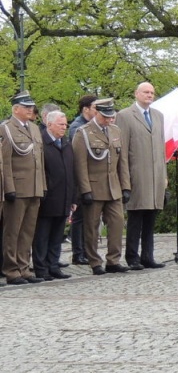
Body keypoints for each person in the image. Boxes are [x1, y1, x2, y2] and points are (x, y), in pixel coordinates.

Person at [72, 98, 131, 275]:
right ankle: (94, 261)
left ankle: (113, 260)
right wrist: (85, 189)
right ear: (96, 113)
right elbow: (79, 165)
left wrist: (126, 186)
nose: (109, 120)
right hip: (94, 188)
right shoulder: (83, 133)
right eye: (105, 116)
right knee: (91, 226)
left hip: (113, 187)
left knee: (117, 223)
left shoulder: (115, 131)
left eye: (111, 117)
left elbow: (122, 161)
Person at [116, 82, 166, 269]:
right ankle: (132, 257)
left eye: (152, 92)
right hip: (137, 175)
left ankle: (148, 256)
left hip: (155, 176)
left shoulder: (158, 116)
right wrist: (125, 180)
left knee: (151, 219)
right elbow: (123, 150)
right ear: (136, 93)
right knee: (136, 218)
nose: (149, 95)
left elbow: (161, 148)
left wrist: (164, 175)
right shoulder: (125, 116)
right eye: (146, 92)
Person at [2, 92, 46, 285]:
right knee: (13, 231)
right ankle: (11, 270)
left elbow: (40, 161)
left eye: (31, 107)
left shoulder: (35, 129)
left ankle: (23, 268)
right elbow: (4, 162)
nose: (30, 110)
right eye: (26, 107)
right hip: (17, 188)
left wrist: (42, 185)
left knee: (28, 231)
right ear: (16, 109)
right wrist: (8, 187)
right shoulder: (6, 129)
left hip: (34, 187)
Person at [32, 110, 74, 281]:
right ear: (49, 124)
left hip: (64, 197)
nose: (64, 127)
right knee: (42, 236)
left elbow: (72, 172)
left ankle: (53, 265)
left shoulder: (66, 143)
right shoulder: (41, 143)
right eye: (60, 124)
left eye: (65, 124)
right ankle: (41, 268)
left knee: (57, 236)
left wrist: (73, 198)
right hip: (48, 197)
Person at [68, 95, 97, 265]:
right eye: (95, 107)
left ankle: (86, 251)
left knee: (88, 218)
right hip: (79, 179)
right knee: (79, 218)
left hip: (89, 178)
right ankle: (78, 253)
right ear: (85, 109)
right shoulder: (77, 128)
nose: (97, 111)